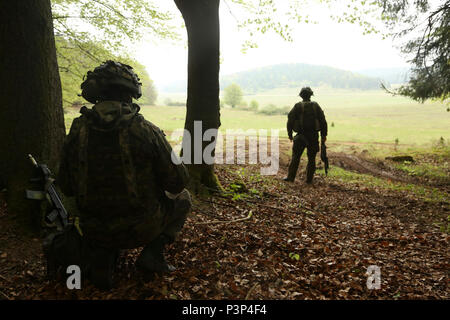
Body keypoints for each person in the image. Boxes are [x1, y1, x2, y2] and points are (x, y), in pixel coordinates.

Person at [57, 60, 191, 288]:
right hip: (141, 228)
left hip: (93, 229)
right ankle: (152, 256)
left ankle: (103, 259)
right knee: (184, 198)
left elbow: (67, 186)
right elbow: (178, 182)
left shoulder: (78, 130)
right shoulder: (145, 130)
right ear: (129, 94)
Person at [284, 87, 328, 183]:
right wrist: (323, 135)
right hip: (313, 136)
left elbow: (290, 120)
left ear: (301, 95)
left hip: (300, 136)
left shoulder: (297, 106)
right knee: (311, 158)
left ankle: (290, 178)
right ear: (310, 95)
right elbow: (323, 121)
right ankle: (309, 180)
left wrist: (290, 134)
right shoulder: (316, 106)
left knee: (295, 157)